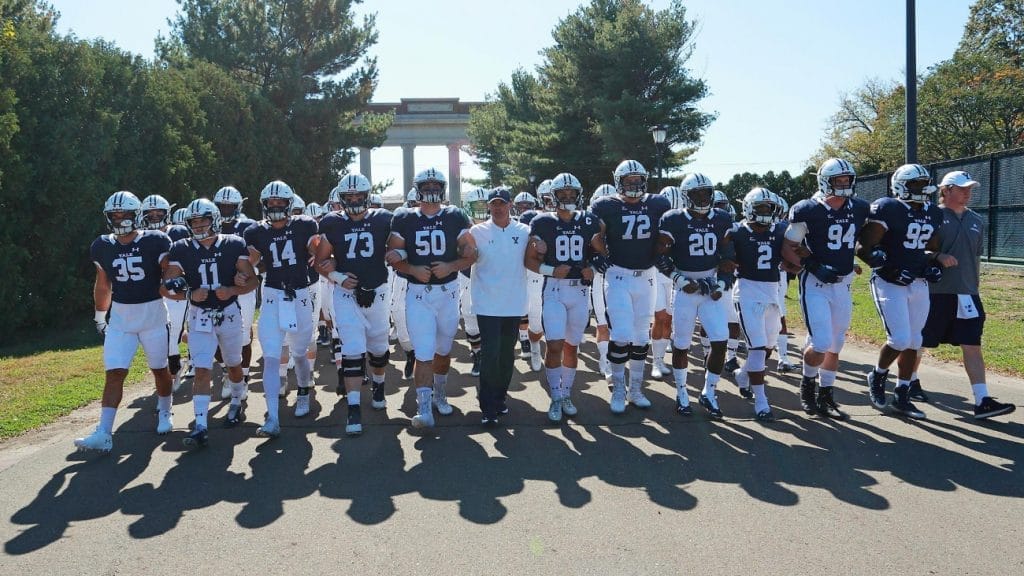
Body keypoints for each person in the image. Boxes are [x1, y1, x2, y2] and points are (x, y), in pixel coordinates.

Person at [74, 191, 176, 453]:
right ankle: (104, 432)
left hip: (153, 314)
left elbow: (171, 270)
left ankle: (165, 411)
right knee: (115, 372)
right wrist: (100, 315)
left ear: (137, 215)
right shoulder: (103, 245)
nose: (120, 220)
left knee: (159, 369)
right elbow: (103, 284)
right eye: (115, 216)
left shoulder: (156, 240)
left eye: (125, 215)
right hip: (121, 317)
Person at [857, 164, 956, 419]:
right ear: (901, 185)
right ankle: (877, 376)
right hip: (889, 282)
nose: (922, 189)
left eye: (924, 184)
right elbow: (864, 247)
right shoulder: (888, 208)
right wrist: (889, 270)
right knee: (899, 339)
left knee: (915, 340)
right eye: (916, 184)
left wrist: (933, 266)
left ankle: (902, 394)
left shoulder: (933, 212)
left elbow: (930, 248)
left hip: (917, 281)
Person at [915, 170, 1015, 420]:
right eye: (962, 188)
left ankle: (982, 400)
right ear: (946, 190)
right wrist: (937, 256)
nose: (968, 192)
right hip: (935, 293)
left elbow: (976, 257)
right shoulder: (931, 216)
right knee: (920, 343)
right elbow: (914, 251)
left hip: (968, 294)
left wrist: (974, 285)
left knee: (972, 344)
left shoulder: (976, 220)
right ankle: (908, 382)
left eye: (970, 188)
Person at [386, 168, 476, 429]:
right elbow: (393, 256)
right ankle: (423, 407)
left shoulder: (455, 215)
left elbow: (472, 253)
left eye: (436, 185)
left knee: (444, 350)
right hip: (418, 293)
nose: (432, 190)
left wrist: (452, 265)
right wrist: (412, 268)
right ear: (417, 188)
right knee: (424, 351)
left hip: (448, 292)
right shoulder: (404, 217)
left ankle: (440, 392)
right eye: (427, 185)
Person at [163, 198, 257, 447]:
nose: (198, 225)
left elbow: (253, 281)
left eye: (203, 220)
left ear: (213, 219)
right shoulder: (181, 248)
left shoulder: (233, 244)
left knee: (234, 364)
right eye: (194, 221)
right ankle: (200, 424)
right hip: (200, 314)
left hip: (228, 312)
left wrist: (233, 290)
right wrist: (188, 294)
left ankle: (236, 401)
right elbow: (166, 286)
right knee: (202, 367)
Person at [782, 158, 868, 418]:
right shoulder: (808, 209)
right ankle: (807, 386)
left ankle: (826, 394)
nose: (843, 185)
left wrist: (851, 261)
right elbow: (788, 246)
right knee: (821, 343)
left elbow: (856, 241)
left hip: (842, 284)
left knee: (836, 344)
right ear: (825, 181)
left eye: (847, 180)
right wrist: (811, 264)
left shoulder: (860, 208)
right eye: (838, 180)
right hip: (816, 284)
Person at [315, 173, 393, 435]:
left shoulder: (383, 219)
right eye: (350, 197)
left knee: (379, 347)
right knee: (352, 348)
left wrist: (399, 254)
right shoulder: (332, 223)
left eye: (359, 196)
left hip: (378, 292)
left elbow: (395, 249)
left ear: (367, 196)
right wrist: (337, 276)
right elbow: (319, 261)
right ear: (342, 199)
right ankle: (353, 408)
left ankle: (379, 385)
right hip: (346, 294)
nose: (355, 200)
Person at [591, 160, 672, 414]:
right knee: (622, 334)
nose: (634, 185)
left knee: (640, 336)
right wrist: (598, 256)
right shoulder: (606, 205)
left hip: (647, 276)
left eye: (637, 180)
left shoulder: (658, 204)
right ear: (619, 182)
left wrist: (664, 252)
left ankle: (636, 389)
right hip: (618, 275)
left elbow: (667, 235)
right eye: (629, 181)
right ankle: (618, 387)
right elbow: (593, 236)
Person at [243, 180, 320, 436]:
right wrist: (244, 269)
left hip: (298, 294)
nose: (275, 206)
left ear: (290, 204)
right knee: (271, 357)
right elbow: (252, 262)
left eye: (280, 202)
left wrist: (318, 254)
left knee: (299, 351)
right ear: (264, 205)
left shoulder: (305, 225)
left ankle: (304, 391)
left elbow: (316, 251)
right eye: (271, 203)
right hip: (273, 296)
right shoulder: (255, 231)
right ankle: (272, 418)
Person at [656, 172, 735, 418]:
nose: (702, 198)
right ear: (685, 196)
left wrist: (721, 284)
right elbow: (659, 256)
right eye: (696, 194)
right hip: (685, 288)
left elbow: (728, 258)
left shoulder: (722, 218)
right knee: (681, 343)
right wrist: (679, 280)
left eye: (706, 193)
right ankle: (681, 392)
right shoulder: (673, 219)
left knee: (720, 339)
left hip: (710, 285)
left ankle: (709, 392)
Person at [525, 174, 600, 422]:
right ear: (553, 197)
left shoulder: (590, 221)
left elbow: (602, 253)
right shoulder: (542, 222)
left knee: (572, 345)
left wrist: (595, 267)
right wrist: (550, 270)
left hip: (580, 290)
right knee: (555, 343)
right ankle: (556, 395)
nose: (567, 198)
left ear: (579, 195)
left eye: (571, 193)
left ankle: (566, 393)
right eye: (562, 194)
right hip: (554, 289)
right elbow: (529, 260)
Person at [731, 189, 797, 421]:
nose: (765, 213)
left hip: (772, 293)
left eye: (769, 208)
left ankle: (743, 373)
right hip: (748, 292)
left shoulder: (779, 230)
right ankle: (761, 402)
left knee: (768, 347)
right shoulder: (737, 231)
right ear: (748, 208)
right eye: (760, 208)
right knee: (757, 348)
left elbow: (791, 255)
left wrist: (796, 263)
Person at [469, 187, 530, 425]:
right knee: (490, 355)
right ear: (488, 206)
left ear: (509, 204)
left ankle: (500, 397)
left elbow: (535, 255)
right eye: (493, 204)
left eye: (501, 203)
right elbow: (463, 254)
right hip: (487, 304)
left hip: (513, 304)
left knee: (506, 356)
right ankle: (487, 407)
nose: (497, 208)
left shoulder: (524, 231)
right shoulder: (477, 231)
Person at [140, 194, 190, 393]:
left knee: (173, 333)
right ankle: (175, 368)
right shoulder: (140, 236)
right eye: (149, 214)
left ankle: (175, 369)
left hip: (175, 291)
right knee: (164, 336)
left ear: (166, 213)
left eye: (158, 212)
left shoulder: (178, 231)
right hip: (154, 293)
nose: (153, 216)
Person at [213, 185, 259, 396]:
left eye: (229, 207)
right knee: (212, 335)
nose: (225, 210)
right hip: (214, 286)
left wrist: (248, 273)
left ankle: (245, 375)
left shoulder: (249, 227)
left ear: (238, 206)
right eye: (221, 207)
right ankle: (228, 372)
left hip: (242, 288)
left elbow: (258, 255)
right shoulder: (209, 226)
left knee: (243, 335)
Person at [459, 186, 490, 376]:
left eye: (483, 204)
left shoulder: (499, 224)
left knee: (493, 317)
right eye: (476, 204)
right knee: (470, 316)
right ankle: (477, 353)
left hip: (492, 276)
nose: (480, 207)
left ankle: (490, 355)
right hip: (466, 275)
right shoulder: (459, 226)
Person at [587, 183, 617, 379]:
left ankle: (617, 360)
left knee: (619, 323)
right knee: (602, 322)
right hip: (599, 277)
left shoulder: (623, 220)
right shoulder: (587, 222)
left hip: (620, 276)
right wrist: (594, 259)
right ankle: (605, 359)